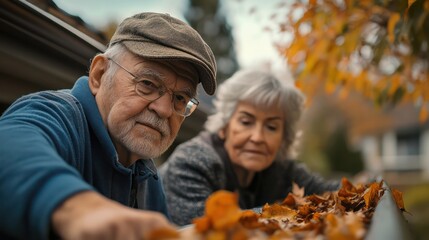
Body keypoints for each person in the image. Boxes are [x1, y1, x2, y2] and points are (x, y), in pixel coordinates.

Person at [0, 12, 216, 240]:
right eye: (147, 83)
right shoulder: (57, 114)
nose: (164, 110)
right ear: (99, 74)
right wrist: (79, 207)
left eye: (180, 98)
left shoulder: (149, 179)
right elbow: (10, 145)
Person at [159, 69, 340, 226]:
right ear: (224, 127)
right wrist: (291, 209)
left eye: (271, 127)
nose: (258, 137)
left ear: (284, 138)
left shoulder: (282, 170)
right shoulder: (191, 163)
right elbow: (212, 229)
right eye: (246, 122)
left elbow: (331, 192)